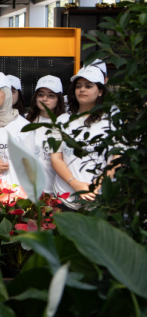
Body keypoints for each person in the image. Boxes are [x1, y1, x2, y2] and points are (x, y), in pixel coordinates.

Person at [51, 66, 110, 210]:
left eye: (88, 86)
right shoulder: (62, 120)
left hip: (100, 199)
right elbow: (56, 158)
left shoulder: (111, 121)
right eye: (79, 86)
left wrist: (97, 186)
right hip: (64, 199)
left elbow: (116, 159)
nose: (82, 90)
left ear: (101, 91)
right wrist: (76, 184)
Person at [26, 75, 65, 196]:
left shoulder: (65, 124)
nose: (45, 99)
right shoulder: (25, 122)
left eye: (51, 95)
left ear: (59, 99)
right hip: (28, 190)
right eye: (41, 94)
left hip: (56, 192)